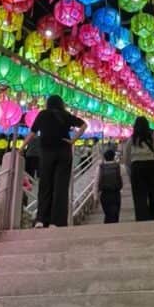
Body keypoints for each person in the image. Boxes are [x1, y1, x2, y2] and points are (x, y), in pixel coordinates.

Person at [22, 95, 87, 228]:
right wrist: (73, 140)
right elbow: (84, 125)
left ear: (48, 104)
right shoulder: (65, 115)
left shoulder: (43, 114)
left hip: (47, 153)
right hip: (63, 151)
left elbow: (33, 132)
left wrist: (21, 148)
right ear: (61, 104)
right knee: (61, 187)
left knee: (45, 185)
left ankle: (41, 219)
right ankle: (56, 222)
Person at [121, 116, 154, 221]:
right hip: (152, 167)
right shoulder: (152, 137)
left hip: (137, 168)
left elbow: (126, 158)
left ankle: (142, 219)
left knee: (139, 196)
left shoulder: (132, 139)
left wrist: (131, 169)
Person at [97, 149, 123, 223]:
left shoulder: (101, 167)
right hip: (116, 193)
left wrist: (95, 195)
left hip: (104, 194)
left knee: (108, 214)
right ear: (114, 157)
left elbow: (96, 182)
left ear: (104, 157)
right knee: (115, 215)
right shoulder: (117, 166)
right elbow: (119, 179)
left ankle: (107, 229)